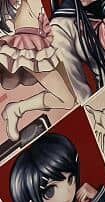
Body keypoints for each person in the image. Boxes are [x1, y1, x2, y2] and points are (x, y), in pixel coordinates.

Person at [0, 0, 76, 141]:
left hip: (48, 35)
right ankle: (16, 109)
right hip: (31, 43)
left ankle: (17, 109)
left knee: (74, 95)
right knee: (68, 100)